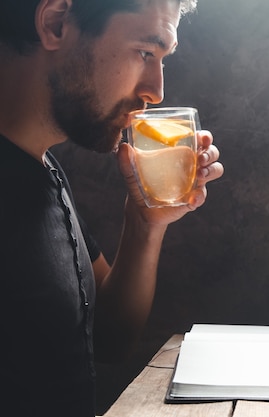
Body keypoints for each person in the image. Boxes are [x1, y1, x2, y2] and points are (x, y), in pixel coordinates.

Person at [0, 0, 224, 416]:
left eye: (162, 60)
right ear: (56, 22)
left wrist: (145, 222)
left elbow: (106, 338)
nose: (155, 91)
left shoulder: (42, 169)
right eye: (146, 52)